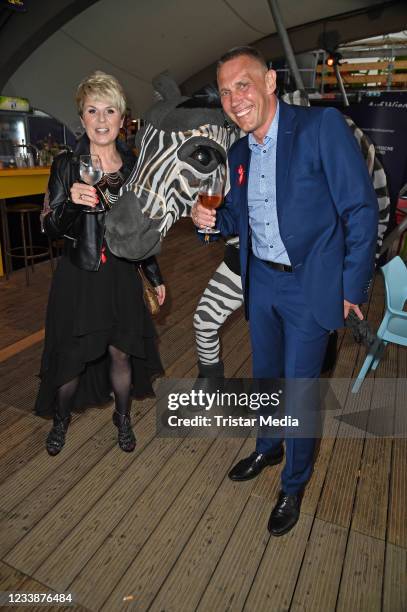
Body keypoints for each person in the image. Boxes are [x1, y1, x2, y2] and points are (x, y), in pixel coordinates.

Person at [192, 47, 378, 536]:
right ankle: (269, 445)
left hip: (311, 286)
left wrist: (352, 286)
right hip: (263, 283)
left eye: (244, 84)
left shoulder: (321, 128)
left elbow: (360, 210)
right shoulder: (238, 152)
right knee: (268, 377)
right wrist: (209, 220)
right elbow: (240, 218)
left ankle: (294, 484)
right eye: (227, 91)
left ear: (270, 82)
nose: (235, 99)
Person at [35, 71, 165, 456]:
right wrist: (72, 203)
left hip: (122, 274)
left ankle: (122, 419)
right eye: (93, 110)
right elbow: (48, 228)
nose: (102, 119)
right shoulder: (66, 165)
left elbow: (142, 227)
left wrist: (153, 273)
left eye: (110, 110)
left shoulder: (134, 167)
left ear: (122, 119)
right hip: (80, 276)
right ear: (82, 119)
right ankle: (61, 421)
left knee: (121, 350)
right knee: (72, 358)